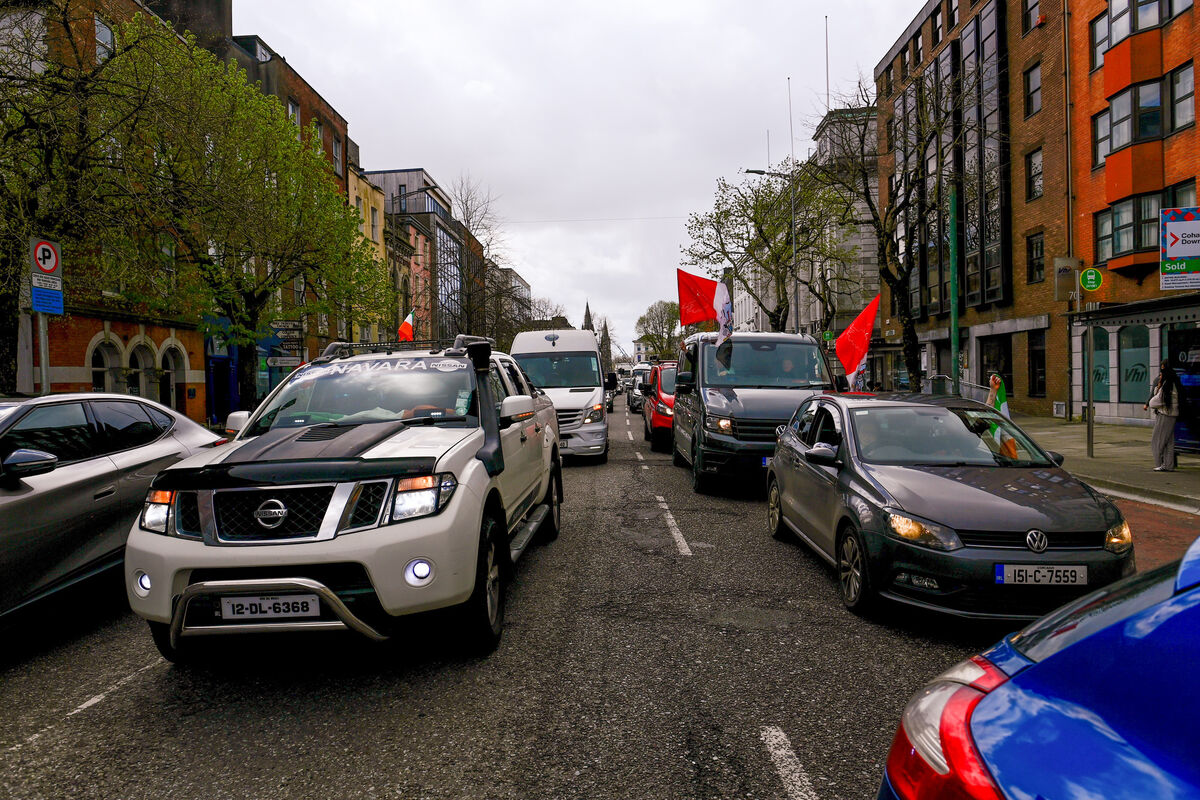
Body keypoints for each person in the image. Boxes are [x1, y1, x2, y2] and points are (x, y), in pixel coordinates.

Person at [1145, 360, 1183, 471]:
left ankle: (1160, 464)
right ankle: (1168, 465)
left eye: (1162, 369)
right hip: (1172, 414)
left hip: (1165, 414)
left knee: (1157, 441)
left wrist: (1159, 386)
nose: (1160, 373)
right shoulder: (1175, 382)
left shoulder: (1168, 384)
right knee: (1169, 441)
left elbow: (1154, 402)